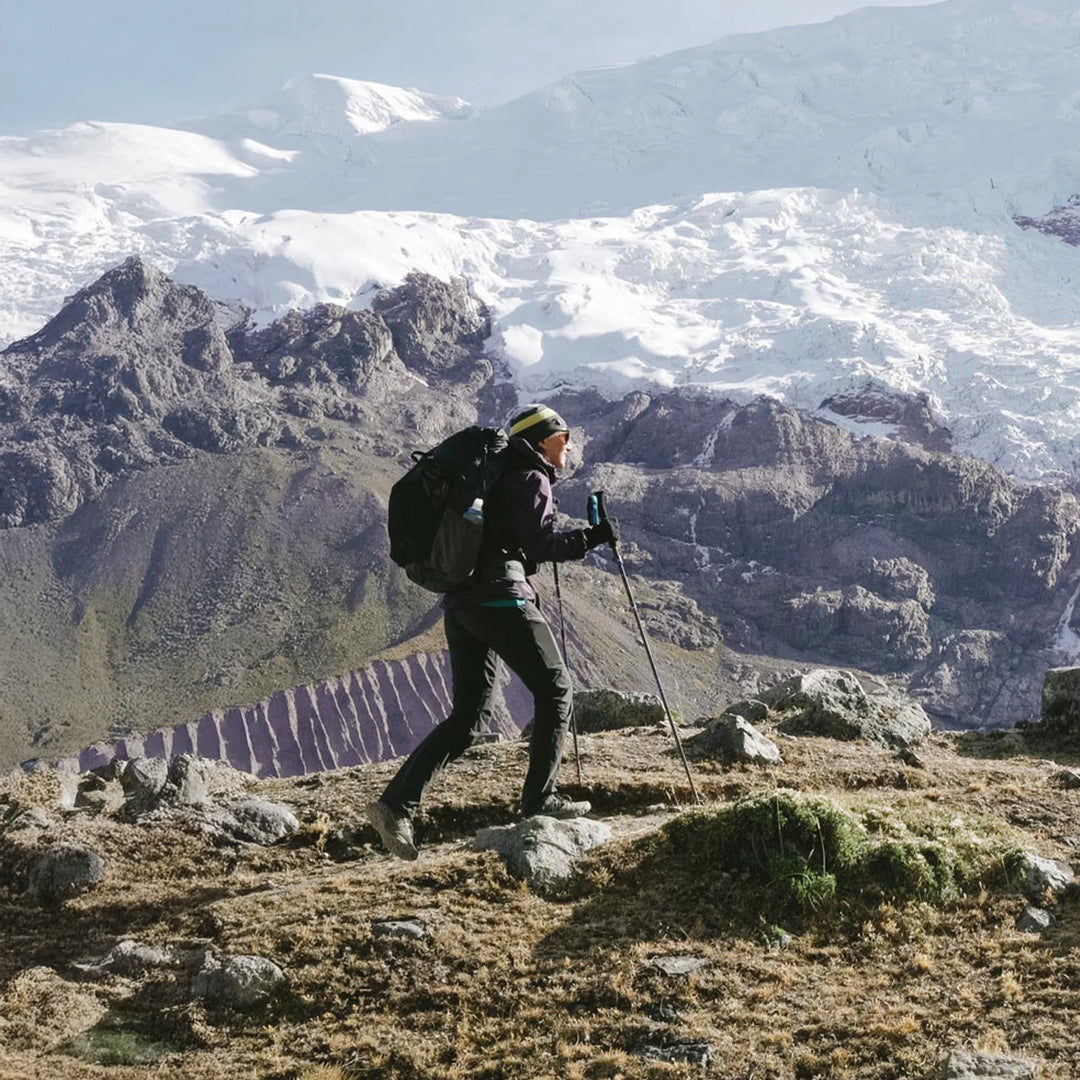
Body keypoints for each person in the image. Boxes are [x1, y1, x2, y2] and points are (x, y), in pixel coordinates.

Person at [366, 403, 618, 859]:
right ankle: (541, 798)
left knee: (468, 717)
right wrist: (591, 538)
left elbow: (515, 540)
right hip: (503, 598)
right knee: (556, 688)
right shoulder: (532, 476)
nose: (569, 446)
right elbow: (538, 544)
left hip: (462, 604)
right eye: (563, 438)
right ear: (543, 440)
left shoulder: (495, 476)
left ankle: (395, 805)